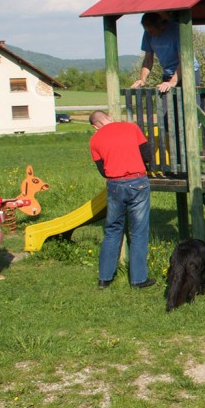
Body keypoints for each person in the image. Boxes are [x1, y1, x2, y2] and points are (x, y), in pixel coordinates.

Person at [89, 111, 156, 290]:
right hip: (137, 182)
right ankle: (138, 279)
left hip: (114, 185)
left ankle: (104, 279)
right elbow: (147, 155)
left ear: (95, 126)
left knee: (112, 230)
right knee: (139, 232)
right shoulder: (131, 128)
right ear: (109, 117)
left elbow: (102, 170)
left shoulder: (94, 140)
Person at [131, 12, 201, 93]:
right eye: (147, 31)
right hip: (168, 74)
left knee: (189, 99)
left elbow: (184, 60)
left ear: (160, 26)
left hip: (188, 72)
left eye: (151, 31)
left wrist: (172, 82)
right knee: (167, 98)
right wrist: (142, 80)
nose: (149, 34)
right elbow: (148, 60)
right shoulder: (148, 34)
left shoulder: (177, 31)